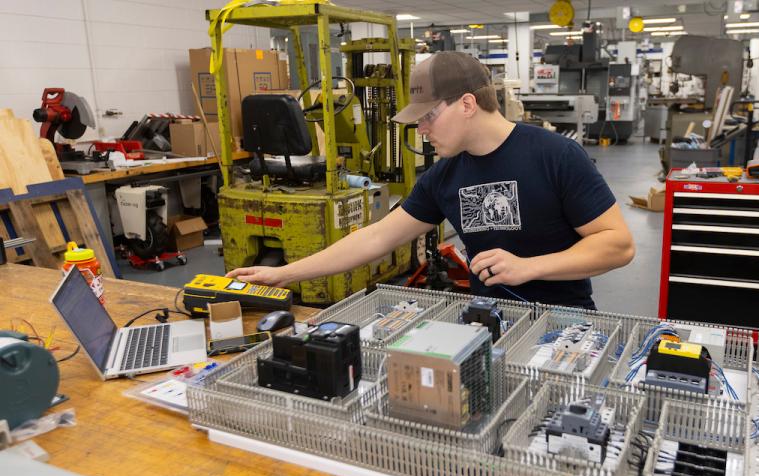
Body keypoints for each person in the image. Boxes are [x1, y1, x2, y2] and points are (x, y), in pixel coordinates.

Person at [227, 51, 634, 309]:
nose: (421, 129)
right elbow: (375, 238)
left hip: (564, 325)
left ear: (468, 104)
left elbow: (618, 245)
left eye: (428, 116)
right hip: (490, 322)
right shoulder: (445, 175)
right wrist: (283, 274)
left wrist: (528, 267)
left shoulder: (556, 155)